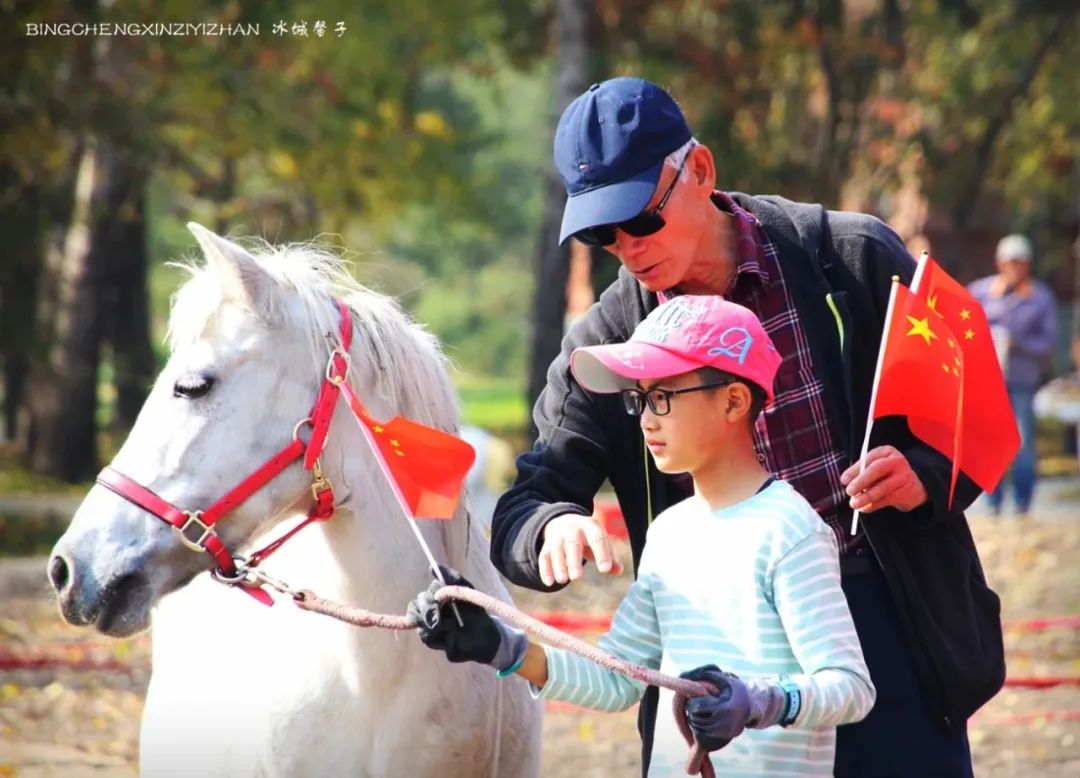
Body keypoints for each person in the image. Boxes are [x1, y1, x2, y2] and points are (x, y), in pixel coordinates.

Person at [490, 77, 1003, 777]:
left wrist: (924, 475)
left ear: (700, 171)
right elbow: (530, 495)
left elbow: (971, 408)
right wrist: (551, 526)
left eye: (639, 219)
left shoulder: (851, 262)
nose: (627, 248)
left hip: (885, 619)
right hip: (720, 652)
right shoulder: (609, 341)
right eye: (602, 235)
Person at [409, 296, 876, 776]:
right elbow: (618, 678)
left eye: (663, 397)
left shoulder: (791, 530)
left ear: (734, 401)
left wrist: (757, 701)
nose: (647, 419)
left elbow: (850, 687)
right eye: (639, 399)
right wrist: (498, 644)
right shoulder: (669, 533)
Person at [968, 235, 1058, 518]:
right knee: (988, 443)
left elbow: (1049, 342)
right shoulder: (981, 292)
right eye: (1010, 262)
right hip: (988, 381)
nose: (1015, 268)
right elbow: (962, 323)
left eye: (1020, 262)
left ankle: (1023, 503)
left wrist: (1019, 343)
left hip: (1022, 380)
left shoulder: (1040, 297)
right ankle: (993, 503)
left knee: (1022, 443)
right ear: (1000, 262)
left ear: (1028, 264)